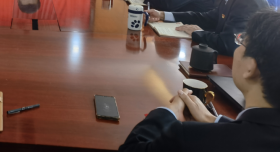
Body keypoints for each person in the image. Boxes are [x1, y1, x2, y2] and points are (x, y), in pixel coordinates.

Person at [119, 10, 280, 151]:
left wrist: (168, 112)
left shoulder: (189, 136)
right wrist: (215, 120)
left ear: (250, 68)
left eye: (242, 40)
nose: (238, 45)